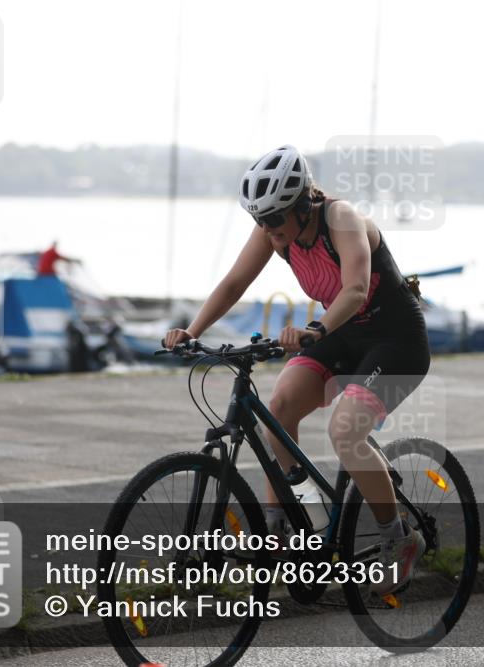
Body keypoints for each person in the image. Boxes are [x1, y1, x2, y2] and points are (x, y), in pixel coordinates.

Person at [163, 145, 431, 596]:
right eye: (259, 220)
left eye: (273, 219)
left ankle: (399, 539)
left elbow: (356, 289)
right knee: (280, 409)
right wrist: (192, 331)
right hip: (342, 332)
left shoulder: (341, 219)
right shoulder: (275, 231)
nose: (267, 229)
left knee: (345, 431)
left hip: (395, 339)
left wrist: (315, 329)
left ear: (303, 205)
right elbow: (234, 283)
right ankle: (290, 523)